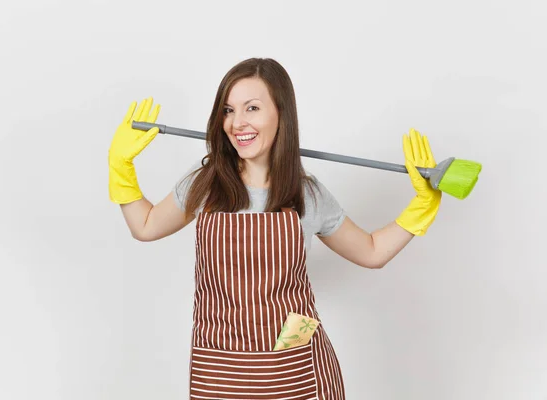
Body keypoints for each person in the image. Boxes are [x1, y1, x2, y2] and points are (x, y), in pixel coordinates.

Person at [108, 58, 442, 399]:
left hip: (295, 371)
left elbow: (371, 251)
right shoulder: (205, 182)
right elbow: (146, 227)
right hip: (220, 369)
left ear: (281, 114)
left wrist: (420, 209)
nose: (237, 123)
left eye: (252, 108)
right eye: (228, 110)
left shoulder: (306, 193)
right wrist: (121, 168)